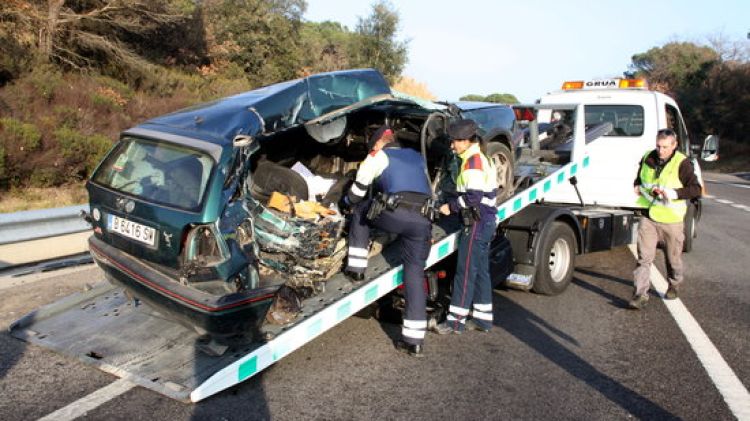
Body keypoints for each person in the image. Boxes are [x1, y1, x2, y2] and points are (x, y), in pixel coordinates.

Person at [341, 125, 433, 357]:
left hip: (396, 215)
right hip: (423, 221)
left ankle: (356, 268)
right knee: (414, 274)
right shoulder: (416, 156)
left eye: (373, 145)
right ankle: (414, 341)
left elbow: (358, 191)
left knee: (360, 210)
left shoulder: (377, 156)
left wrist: (345, 203)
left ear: (378, 143)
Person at [433, 119, 498, 334]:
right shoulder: (477, 157)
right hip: (485, 221)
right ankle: (483, 319)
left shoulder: (473, 163)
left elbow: (472, 198)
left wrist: (449, 207)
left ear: (465, 141)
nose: (452, 146)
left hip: (477, 223)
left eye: (454, 142)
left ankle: (455, 322)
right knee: (480, 272)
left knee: (465, 271)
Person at [630, 128, 701, 309]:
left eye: (665, 147)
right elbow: (639, 179)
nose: (661, 151)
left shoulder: (682, 163)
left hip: (672, 220)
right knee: (644, 258)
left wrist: (673, 193)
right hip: (649, 216)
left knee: (673, 259)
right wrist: (638, 186)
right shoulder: (648, 157)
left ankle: (674, 283)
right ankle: (640, 294)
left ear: (674, 145)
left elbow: (696, 189)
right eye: (658, 146)